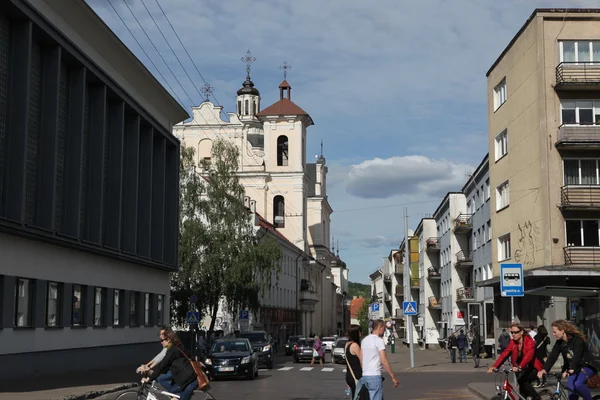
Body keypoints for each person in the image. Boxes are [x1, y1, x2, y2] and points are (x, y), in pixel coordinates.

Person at [537, 320, 598, 400]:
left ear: (562, 331)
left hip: (586, 366)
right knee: (571, 392)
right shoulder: (559, 343)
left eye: (555, 332)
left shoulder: (577, 340)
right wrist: (544, 370)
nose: (553, 334)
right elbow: (552, 356)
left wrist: (572, 369)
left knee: (578, 384)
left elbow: (577, 356)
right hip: (573, 369)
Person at [488, 323, 544, 400]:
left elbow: (529, 356)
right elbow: (504, 354)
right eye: (512, 332)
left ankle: (538, 398)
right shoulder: (513, 342)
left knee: (523, 381)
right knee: (522, 391)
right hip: (520, 369)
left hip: (533, 367)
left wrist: (520, 367)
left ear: (521, 332)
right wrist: (495, 366)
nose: (513, 334)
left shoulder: (529, 341)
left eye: (516, 332)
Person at [144, 330, 199, 400]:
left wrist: (149, 378)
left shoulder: (172, 350)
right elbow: (165, 367)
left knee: (173, 392)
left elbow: (163, 365)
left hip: (189, 380)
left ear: (169, 340)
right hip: (186, 377)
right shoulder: (176, 347)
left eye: (162, 340)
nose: (161, 342)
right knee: (172, 391)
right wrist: (152, 373)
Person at [359, 319, 399, 400]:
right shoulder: (379, 341)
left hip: (365, 376)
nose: (384, 331)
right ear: (380, 328)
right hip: (374, 375)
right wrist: (393, 376)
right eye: (384, 329)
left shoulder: (364, 340)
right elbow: (383, 360)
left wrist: (364, 371)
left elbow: (361, 358)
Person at [344, 325, 364, 400]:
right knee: (359, 396)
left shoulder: (347, 344)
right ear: (355, 333)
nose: (361, 334)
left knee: (355, 395)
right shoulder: (355, 345)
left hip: (350, 375)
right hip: (356, 376)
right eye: (359, 332)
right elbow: (362, 360)